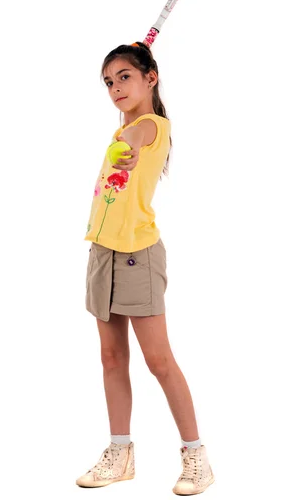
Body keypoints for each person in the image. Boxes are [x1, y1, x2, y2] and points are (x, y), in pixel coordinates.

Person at [76, 42, 214, 495]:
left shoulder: (149, 128)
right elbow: (127, 122)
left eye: (124, 77)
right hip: (103, 251)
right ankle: (121, 453)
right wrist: (133, 65)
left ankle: (196, 455)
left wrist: (128, 144)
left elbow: (137, 139)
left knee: (158, 360)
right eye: (109, 81)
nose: (115, 87)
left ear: (151, 78)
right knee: (111, 358)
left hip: (138, 254)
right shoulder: (126, 123)